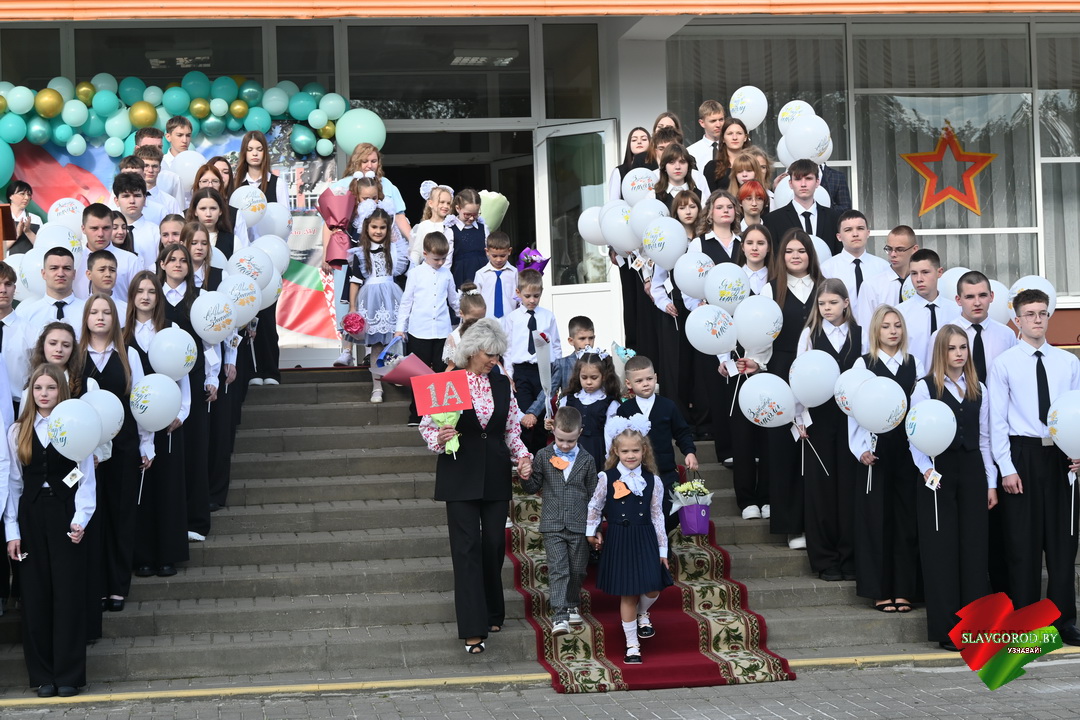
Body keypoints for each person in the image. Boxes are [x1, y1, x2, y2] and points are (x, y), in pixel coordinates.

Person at [418, 318, 532, 654]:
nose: (494, 360)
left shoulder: (502, 383)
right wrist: (440, 438)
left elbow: (511, 429)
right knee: (465, 550)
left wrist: (523, 458)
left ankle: (493, 610)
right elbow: (427, 428)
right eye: (489, 354)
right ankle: (472, 629)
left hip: (495, 473)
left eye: (498, 355)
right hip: (459, 474)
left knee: (494, 545)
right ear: (471, 351)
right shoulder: (447, 381)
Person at [988, 288, 1080, 647]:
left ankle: (1063, 621)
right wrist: (1006, 467)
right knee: (1022, 544)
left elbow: (1076, 410)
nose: (1037, 319)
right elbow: (997, 420)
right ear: (1017, 319)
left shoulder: (1068, 363)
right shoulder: (1005, 364)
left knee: (1062, 543)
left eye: (1042, 313)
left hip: (1061, 456)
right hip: (1022, 454)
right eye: (1030, 314)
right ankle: (1025, 620)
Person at [5, 363, 97, 697]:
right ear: (31, 392)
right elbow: (13, 483)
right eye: (38, 388)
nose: (44, 394)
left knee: (68, 594)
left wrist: (80, 519)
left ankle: (69, 674)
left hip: (64, 514)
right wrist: (12, 531)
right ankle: (43, 675)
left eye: (51, 388)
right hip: (30, 517)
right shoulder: (17, 431)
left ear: (62, 390)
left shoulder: (76, 424)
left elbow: (85, 477)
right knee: (35, 595)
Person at [909, 325, 996, 651]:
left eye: (963, 347)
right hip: (938, 472)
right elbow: (914, 433)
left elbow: (984, 439)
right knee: (941, 550)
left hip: (972, 472)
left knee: (974, 550)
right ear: (941, 352)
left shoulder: (979, 388)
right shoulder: (925, 387)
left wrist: (990, 483)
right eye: (952, 348)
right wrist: (926, 469)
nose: (959, 353)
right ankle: (947, 630)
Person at [78, 294, 153, 615]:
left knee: (121, 515)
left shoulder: (128, 355)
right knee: (92, 517)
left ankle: (117, 587)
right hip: (85, 452)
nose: (100, 317)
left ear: (115, 318)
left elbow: (141, 401)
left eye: (106, 312)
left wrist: (146, 444)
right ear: (85, 318)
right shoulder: (76, 356)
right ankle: (95, 586)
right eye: (94, 312)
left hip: (123, 446)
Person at [944, 270, 1017, 596]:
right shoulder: (945, 335)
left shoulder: (1006, 336)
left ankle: (1000, 590)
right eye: (970, 296)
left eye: (982, 295)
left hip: (999, 433)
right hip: (961, 438)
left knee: (1000, 519)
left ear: (992, 297)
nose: (977, 302)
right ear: (958, 300)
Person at [848, 305, 923, 614]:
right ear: (876, 331)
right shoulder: (864, 364)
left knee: (906, 520)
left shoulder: (913, 363)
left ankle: (904, 589)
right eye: (886, 326)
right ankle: (879, 590)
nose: (893, 331)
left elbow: (920, 408)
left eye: (897, 326)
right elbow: (854, 411)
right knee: (876, 521)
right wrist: (860, 449)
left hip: (907, 452)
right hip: (875, 452)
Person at [587, 417, 673, 664]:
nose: (630, 455)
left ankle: (643, 612)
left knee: (653, 586)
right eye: (625, 451)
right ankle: (632, 645)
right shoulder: (607, 477)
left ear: (644, 450)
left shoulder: (653, 480)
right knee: (628, 593)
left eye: (635, 450)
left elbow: (657, 515)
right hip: (620, 538)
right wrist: (591, 531)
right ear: (616, 451)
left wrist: (662, 550)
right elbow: (595, 506)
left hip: (645, 537)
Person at [795, 278, 862, 581]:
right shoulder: (810, 334)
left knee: (849, 489)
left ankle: (850, 558)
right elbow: (798, 375)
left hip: (853, 420)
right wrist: (800, 418)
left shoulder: (860, 334)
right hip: (819, 419)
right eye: (822, 304)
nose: (827, 308)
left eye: (833, 302)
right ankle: (825, 560)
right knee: (820, 489)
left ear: (846, 303)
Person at [759, 229, 822, 548]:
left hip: (820, 373)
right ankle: (792, 525)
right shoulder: (771, 289)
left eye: (801, 250)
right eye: (789, 251)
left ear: (810, 254)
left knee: (816, 446)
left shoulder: (825, 287)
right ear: (781, 256)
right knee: (784, 449)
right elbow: (760, 334)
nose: (795, 256)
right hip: (781, 371)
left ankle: (819, 524)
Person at [125, 271, 191, 578]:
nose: (146, 296)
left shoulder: (170, 329)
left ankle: (168, 555)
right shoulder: (123, 333)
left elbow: (182, 373)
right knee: (142, 490)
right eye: (140, 291)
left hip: (168, 423)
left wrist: (182, 412)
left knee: (168, 487)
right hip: (136, 422)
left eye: (151, 291)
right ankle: (143, 556)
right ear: (132, 296)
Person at [158, 244, 219, 544]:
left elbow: (211, 341)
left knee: (195, 449)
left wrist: (212, 376)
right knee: (166, 453)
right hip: (159, 383)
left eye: (183, 260)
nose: (179, 264)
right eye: (172, 260)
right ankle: (167, 521)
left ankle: (195, 520)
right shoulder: (153, 297)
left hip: (193, 380)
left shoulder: (200, 298)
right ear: (162, 264)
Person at [523, 406, 598, 636]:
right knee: (559, 569)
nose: (565, 445)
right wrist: (525, 475)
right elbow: (532, 486)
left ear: (580, 433)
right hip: (553, 523)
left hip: (579, 524)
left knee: (578, 570)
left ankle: (572, 602)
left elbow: (594, 496)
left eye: (570, 441)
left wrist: (594, 526)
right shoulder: (543, 455)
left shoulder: (587, 460)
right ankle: (559, 615)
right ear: (553, 430)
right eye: (561, 439)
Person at [612, 355, 698, 532]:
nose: (645, 384)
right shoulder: (625, 410)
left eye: (649, 379)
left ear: (656, 377)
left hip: (665, 471)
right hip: (636, 473)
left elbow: (682, 432)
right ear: (629, 383)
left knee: (670, 512)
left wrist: (689, 452)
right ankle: (646, 546)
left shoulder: (668, 406)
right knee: (640, 514)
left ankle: (663, 545)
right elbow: (618, 440)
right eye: (639, 381)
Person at [231, 131, 289, 385]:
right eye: (250, 149)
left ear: (265, 153)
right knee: (245, 315)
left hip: (271, 259)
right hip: (243, 260)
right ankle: (251, 372)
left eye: (259, 149)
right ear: (244, 153)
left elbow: (285, 221)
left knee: (266, 316)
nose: (254, 154)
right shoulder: (236, 185)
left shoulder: (277, 183)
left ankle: (270, 371)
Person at [723, 224, 773, 518]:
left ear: (768, 247)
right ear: (742, 247)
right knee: (742, 437)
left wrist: (763, 363)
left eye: (761, 243)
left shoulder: (776, 280)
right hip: (738, 366)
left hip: (768, 367)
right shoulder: (731, 279)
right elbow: (719, 320)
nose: (755, 248)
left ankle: (767, 496)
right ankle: (747, 500)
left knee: (767, 433)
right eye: (750, 242)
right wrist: (726, 359)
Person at [395, 232, 460, 424]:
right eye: (436, 259)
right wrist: (400, 328)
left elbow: (454, 300)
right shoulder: (415, 274)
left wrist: (467, 317)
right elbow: (406, 302)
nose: (440, 262)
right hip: (419, 331)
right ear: (425, 254)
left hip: (442, 331)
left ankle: (441, 414)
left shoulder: (447, 274)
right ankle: (417, 413)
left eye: (443, 259)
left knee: (442, 372)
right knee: (419, 374)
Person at [349, 207, 409, 403]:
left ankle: (396, 375)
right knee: (376, 345)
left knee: (394, 340)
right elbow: (355, 281)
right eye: (374, 227)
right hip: (371, 301)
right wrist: (352, 308)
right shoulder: (360, 253)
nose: (378, 231)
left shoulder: (396, 250)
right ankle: (377, 387)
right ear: (367, 227)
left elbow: (407, 271)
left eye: (382, 227)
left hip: (392, 298)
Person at [501, 269, 561, 452]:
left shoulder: (548, 316)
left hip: (543, 371)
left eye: (536, 296)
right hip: (522, 372)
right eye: (527, 296)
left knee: (543, 416)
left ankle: (540, 456)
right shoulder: (512, 318)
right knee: (526, 415)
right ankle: (525, 456)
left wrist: (558, 374)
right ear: (518, 293)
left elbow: (556, 346)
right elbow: (508, 349)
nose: (532, 300)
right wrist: (509, 376)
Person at [549, 351, 620, 468]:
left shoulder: (609, 403)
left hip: (597, 452)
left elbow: (609, 435)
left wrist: (610, 460)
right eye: (584, 377)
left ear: (604, 376)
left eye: (594, 377)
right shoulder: (568, 400)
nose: (588, 382)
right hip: (571, 451)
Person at [898, 249, 958, 370]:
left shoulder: (956, 311)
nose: (919, 279)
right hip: (914, 378)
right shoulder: (900, 313)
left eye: (925, 272)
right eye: (914, 273)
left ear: (939, 272)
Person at [764, 160, 840, 254]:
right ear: (790, 183)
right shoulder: (773, 220)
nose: (803, 184)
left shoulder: (834, 218)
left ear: (817, 182)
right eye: (798, 179)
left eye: (808, 178)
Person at [820, 210, 889, 307]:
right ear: (839, 237)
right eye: (848, 230)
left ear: (868, 233)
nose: (855, 234)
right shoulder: (827, 269)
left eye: (860, 228)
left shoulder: (883, 267)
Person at [15, 247, 86, 341]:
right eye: (54, 268)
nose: (60, 274)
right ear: (43, 273)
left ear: (74, 274)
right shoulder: (26, 315)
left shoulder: (88, 311)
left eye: (66, 268)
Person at [855, 226, 919, 328]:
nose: (892, 254)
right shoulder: (871, 285)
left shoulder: (922, 283)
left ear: (914, 249)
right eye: (889, 249)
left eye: (899, 249)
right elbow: (865, 328)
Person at [81, 204, 142, 305]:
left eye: (106, 228)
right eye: (94, 228)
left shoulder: (130, 260)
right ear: (83, 229)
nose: (100, 234)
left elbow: (140, 299)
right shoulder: (75, 261)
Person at [112, 172, 159, 271]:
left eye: (137, 195)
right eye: (126, 196)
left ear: (145, 199)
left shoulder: (156, 232)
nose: (132, 201)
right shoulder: (107, 232)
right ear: (116, 201)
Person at [1, 261, 30, 416]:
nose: (3, 290)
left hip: (19, 409)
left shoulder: (31, 331)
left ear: (14, 289)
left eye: (8, 284)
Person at [445, 189, 489, 290]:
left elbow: (489, 255)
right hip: (461, 278)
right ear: (458, 208)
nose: (472, 218)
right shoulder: (451, 231)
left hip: (483, 278)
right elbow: (447, 261)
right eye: (467, 214)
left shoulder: (483, 229)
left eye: (475, 214)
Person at [473, 231, 517, 320]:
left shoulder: (514, 273)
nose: (498, 260)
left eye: (502, 256)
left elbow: (519, 297)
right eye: (494, 256)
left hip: (510, 320)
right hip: (487, 320)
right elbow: (476, 300)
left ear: (509, 251)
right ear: (487, 251)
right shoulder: (481, 274)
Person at [442, 284, 486, 370]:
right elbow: (451, 365)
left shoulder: (488, 333)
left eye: (481, 319)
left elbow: (494, 360)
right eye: (473, 320)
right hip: (462, 375)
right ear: (461, 313)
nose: (477, 323)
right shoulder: (454, 337)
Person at [409, 183, 453, 266]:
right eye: (441, 202)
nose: (445, 206)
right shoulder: (423, 226)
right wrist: (414, 269)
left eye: (448, 203)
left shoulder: (450, 225)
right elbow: (416, 252)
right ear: (431, 203)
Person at [134, 145, 184, 218]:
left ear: (160, 168)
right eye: (146, 166)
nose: (150, 170)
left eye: (154, 166)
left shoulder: (170, 202)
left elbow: (179, 223)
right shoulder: (127, 199)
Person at [607, 127, 656, 201]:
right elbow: (614, 202)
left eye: (644, 139)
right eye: (634, 140)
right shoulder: (619, 171)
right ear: (629, 145)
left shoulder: (658, 168)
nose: (639, 142)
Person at [551, 316, 596, 394]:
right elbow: (549, 392)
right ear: (571, 341)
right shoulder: (562, 364)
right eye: (582, 338)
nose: (587, 343)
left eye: (591, 338)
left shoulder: (602, 361)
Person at [703, 118, 751, 190]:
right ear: (723, 138)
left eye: (739, 133)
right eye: (730, 134)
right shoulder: (712, 167)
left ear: (745, 137)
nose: (735, 137)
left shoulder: (754, 164)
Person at [187, 188, 236, 259]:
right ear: (195, 211)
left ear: (220, 211)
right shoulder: (185, 238)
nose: (208, 214)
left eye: (213, 208)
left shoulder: (233, 241)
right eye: (203, 208)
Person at [83, 251, 128, 325]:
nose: (108, 274)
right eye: (102, 270)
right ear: (89, 274)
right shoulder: (80, 308)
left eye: (112, 270)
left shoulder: (127, 310)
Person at [687, 100, 726, 174]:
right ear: (702, 123)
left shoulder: (732, 147)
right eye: (713, 121)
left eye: (721, 120)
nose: (718, 125)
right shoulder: (691, 152)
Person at [6, 180, 41, 255]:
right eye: (22, 194)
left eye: (29, 195)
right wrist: (17, 235)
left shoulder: (35, 219)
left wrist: (28, 231)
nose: (26, 198)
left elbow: (41, 247)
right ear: (11, 196)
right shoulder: (2, 216)